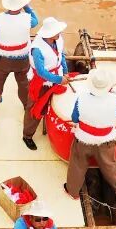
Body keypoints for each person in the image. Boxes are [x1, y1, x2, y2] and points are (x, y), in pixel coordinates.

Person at [63, 68, 116, 200]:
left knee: (77, 164)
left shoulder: (81, 99)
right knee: (109, 164)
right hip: (106, 141)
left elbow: (75, 118)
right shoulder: (114, 99)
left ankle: (73, 191)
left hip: (83, 139)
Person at [22, 17, 70, 150]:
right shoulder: (37, 49)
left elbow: (61, 56)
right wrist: (59, 79)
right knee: (34, 108)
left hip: (57, 75)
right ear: (50, 34)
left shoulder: (58, 40)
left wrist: (65, 72)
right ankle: (27, 135)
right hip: (41, 82)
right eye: (57, 31)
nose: (60, 33)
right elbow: (41, 72)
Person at [0, 0, 39, 108]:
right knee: (23, 84)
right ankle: (26, 105)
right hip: (22, 60)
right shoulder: (27, 19)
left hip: (3, 59)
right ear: (21, 5)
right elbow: (36, 20)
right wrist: (27, 6)